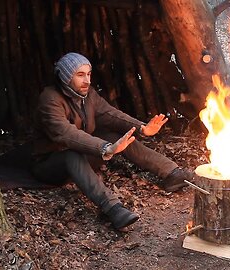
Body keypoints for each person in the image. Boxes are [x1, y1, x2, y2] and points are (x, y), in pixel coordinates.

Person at [31, 52, 193, 230]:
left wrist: (141, 128)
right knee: (71, 155)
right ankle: (113, 208)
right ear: (65, 77)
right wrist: (105, 148)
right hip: (50, 165)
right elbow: (66, 134)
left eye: (88, 74)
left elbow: (110, 114)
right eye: (80, 75)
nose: (87, 80)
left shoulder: (88, 95)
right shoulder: (50, 100)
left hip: (83, 155)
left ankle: (171, 173)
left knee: (115, 136)